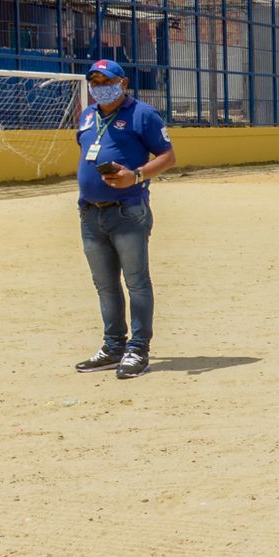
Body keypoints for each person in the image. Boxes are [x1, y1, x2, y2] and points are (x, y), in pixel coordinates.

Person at [71, 59, 175, 379]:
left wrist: (137, 176)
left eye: (108, 81)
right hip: (90, 214)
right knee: (105, 285)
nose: (102, 87)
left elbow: (168, 156)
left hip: (128, 211)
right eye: (96, 82)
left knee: (136, 282)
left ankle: (138, 349)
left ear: (124, 83)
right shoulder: (87, 115)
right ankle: (113, 346)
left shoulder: (143, 114)